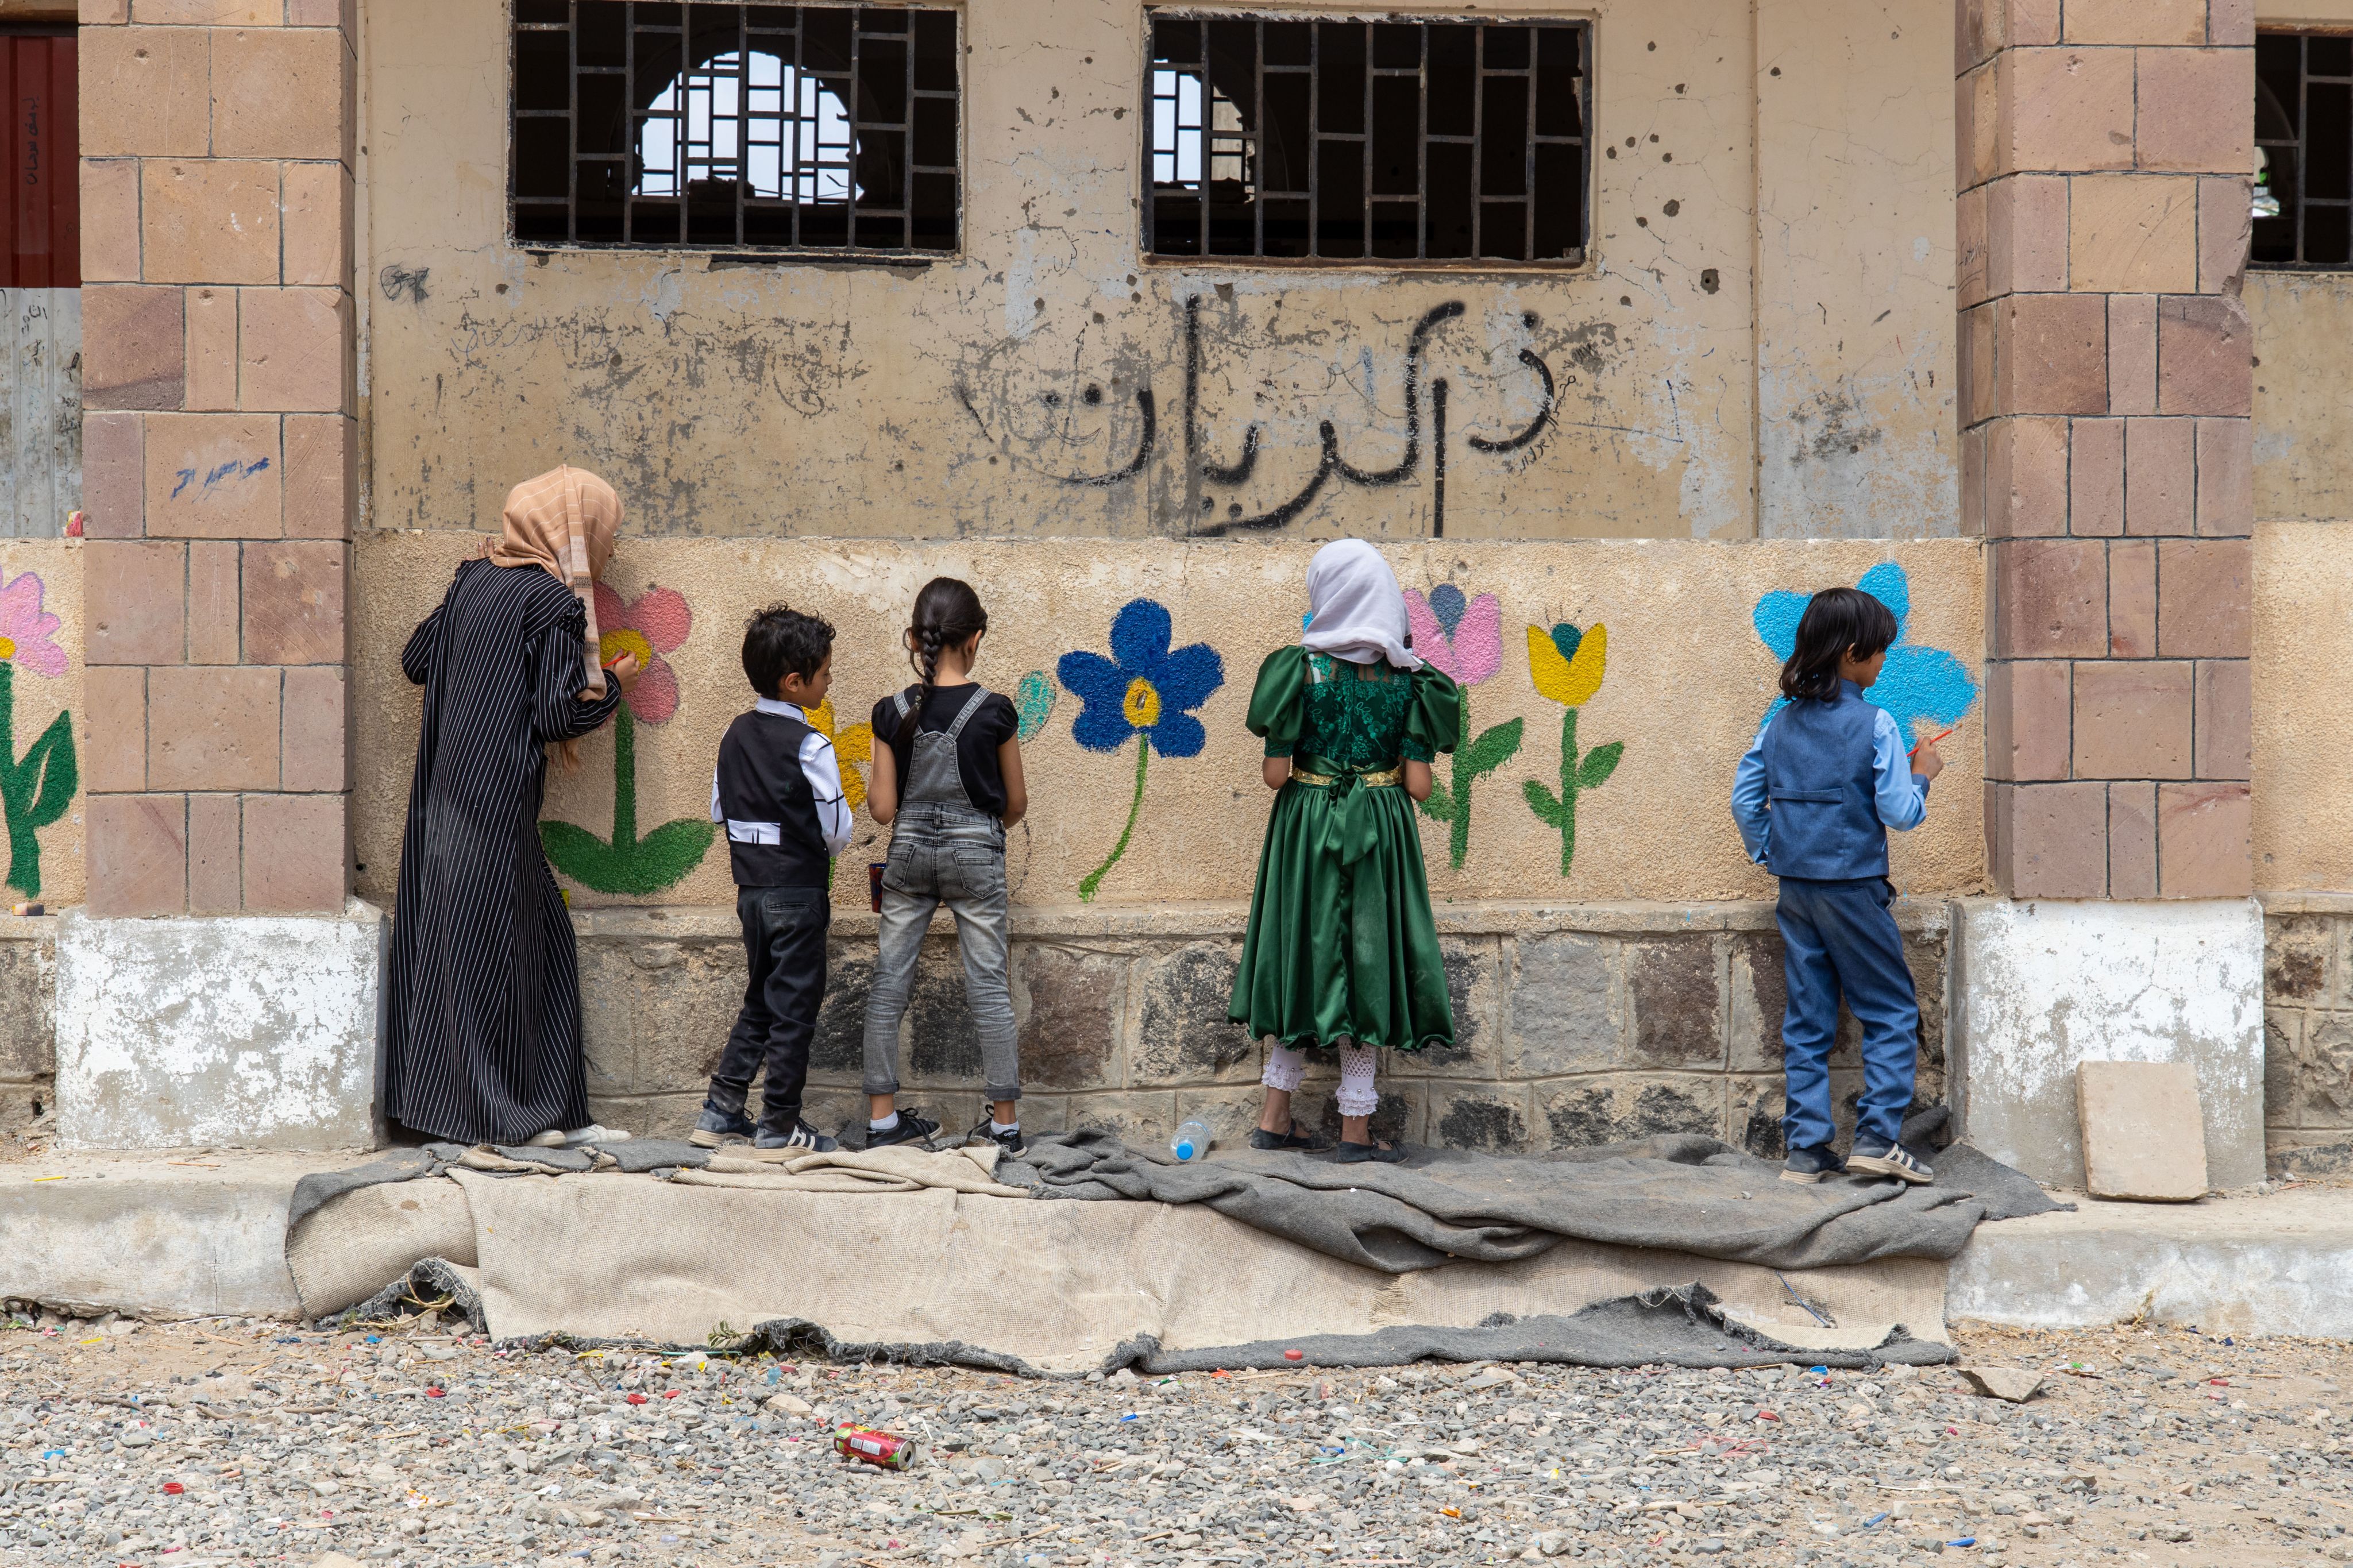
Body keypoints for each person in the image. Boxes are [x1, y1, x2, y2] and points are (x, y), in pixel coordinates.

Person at [384, 465, 640, 1149]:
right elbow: (558, 714)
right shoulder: (552, 603)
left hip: (443, 805)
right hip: (495, 806)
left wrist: (461, 594)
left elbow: (416, 659)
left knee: (481, 949)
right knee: (507, 953)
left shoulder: (474, 582)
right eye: (604, 537)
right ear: (574, 533)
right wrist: (611, 686)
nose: (606, 551)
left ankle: (526, 1115)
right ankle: (509, 1120)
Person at [1228, 539, 1460, 1163]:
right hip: (1380, 831)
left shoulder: (1295, 671)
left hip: (1306, 828)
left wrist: (1316, 763)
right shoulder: (1413, 683)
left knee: (1304, 956)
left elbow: (1275, 776)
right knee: (1368, 965)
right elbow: (1418, 785)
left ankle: (1274, 1120)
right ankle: (1355, 1133)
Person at [1730, 585, 1945, 1186]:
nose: (1882, 664)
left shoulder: (1777, 726)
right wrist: (1921, 774)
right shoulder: (1874, 722)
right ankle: (1877, 1139)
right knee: (1890, 1010)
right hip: (1853, 887)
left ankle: (1805, 1151)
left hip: (1795, 888)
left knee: (1807, 1018)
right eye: (1879, 654)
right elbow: (1898, 812)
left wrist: (1771, 849)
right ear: (1854, 654)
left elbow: (1745, 800)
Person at [861, 577, 1029, 1154]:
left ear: (915, 637)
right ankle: (1005, 1127)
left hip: (907, 854)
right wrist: (977, 835)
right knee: (988, 986)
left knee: (889, 983)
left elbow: (882, 811)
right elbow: (1016, 805)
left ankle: (882, 1122)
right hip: (976, 855)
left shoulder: (891, 711)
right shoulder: (997, 711)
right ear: (976, 638)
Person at [689, 605, 856, 1156]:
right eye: (825, 674)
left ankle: (721, 1110)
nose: (829, 682)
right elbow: (838, 829)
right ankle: (781, 1124)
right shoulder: (811, 745)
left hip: (752, 893)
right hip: (799, 892)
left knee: (761, 997)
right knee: (795, 1008)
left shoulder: (734, 735)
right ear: (795, 681)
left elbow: (719, 810)